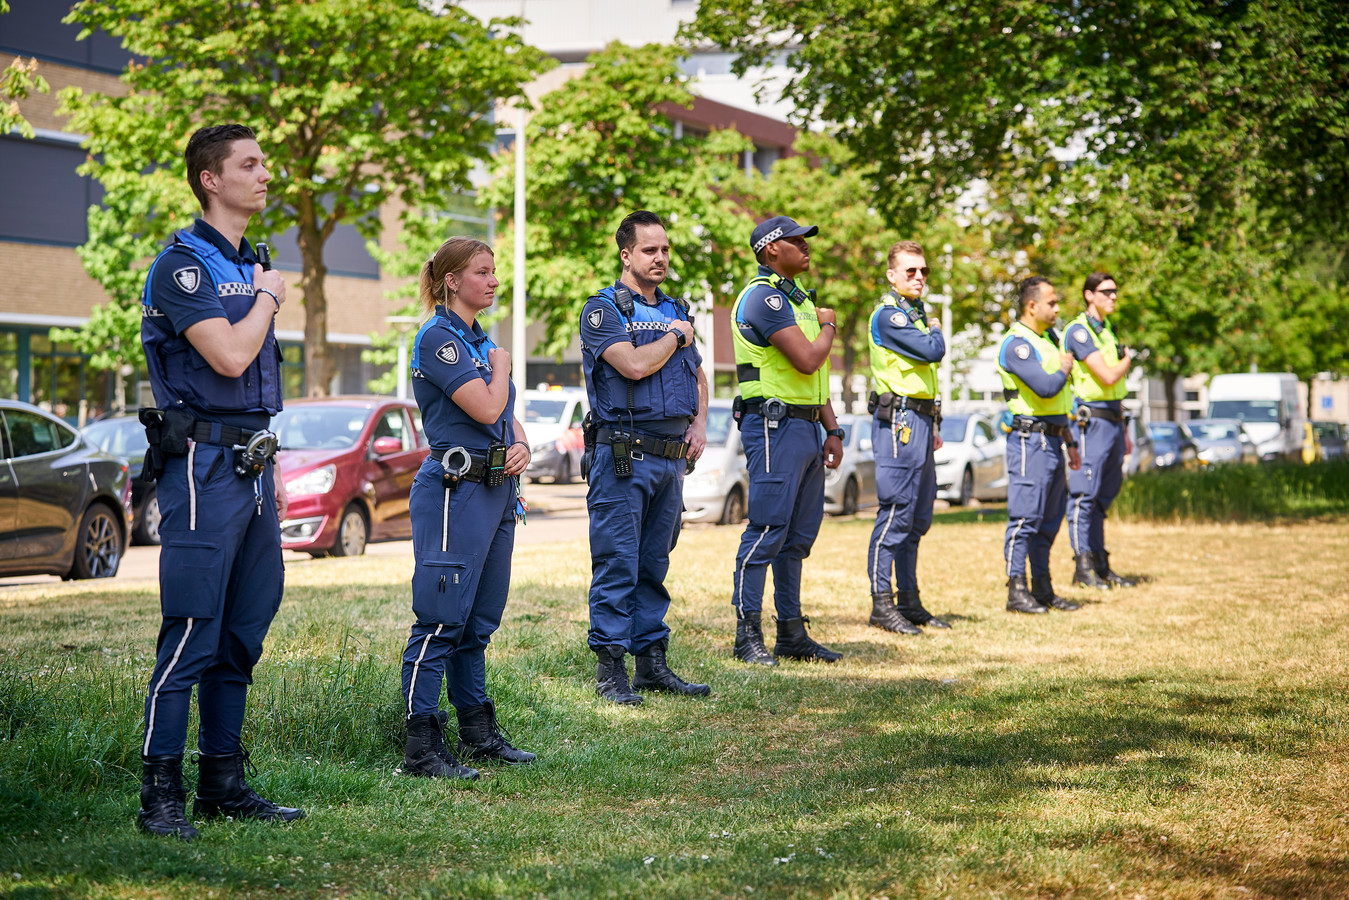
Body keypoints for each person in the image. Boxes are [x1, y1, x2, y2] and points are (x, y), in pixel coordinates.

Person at [137, 124, 302, 840]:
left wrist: (260, 286)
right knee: (192, 631)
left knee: (241, 633)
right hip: (203, 469)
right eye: (250, 164)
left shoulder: (250, 262)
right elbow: (232, 358)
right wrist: (267, 298)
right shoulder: (182, 267)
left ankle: (222, 785)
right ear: (211, 178)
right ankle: (159, 796)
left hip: (255, 465)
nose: (265, 174)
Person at [400, 237, 536, 776]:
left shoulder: (477, 339)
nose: (493, 280)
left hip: (497, 488)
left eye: (495, 271)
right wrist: (501, 366)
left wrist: (520, 441)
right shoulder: (441, 338)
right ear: (452, 280)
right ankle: (421, 746)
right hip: (456, 492)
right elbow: (485, 402)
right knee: (440, 619)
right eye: (482, 271)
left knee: (478, 622)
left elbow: (502, 418)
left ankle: (478, 733)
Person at [579, 210, 710, 705]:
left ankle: (651, 664)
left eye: (666, 249)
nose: (660, 258)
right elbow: (632, 366)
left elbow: (696, 375)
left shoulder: (676, 306)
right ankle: (611, 671)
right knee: (618, 563)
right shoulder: (603, 311)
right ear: (626, 254)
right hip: (623, 457)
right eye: (650, 250)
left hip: (670, 458)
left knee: (655, 563)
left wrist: (698, 424)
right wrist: (676, 335)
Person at [730, 215, 845, 665]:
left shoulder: (795, 302)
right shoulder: (764, 299)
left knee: (796, 537)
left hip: (806, 427)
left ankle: (792, 633)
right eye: (797, 240)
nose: (806, 246)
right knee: (766, 530)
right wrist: (830, 325)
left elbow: (815, 381)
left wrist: (831, 428)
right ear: (772, 249)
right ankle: (747, 634)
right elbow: (807, 360)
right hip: (773, 427)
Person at [866, 241, 950, 634]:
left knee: (918, 517)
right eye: (911, 271)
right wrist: (935, 328)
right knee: (896, 513)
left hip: (920, 419)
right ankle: (882, 604)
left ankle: (910, 601)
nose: (919, 277)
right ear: (892, 275)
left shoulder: (913, 315)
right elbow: (933, 351)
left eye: (923, 271)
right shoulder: (889, 316)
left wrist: (934, 423)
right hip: (898, 420)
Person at [996, 276, 1083, 614]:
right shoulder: (1017, 344)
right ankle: (1016, 590)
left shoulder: (1047, 340)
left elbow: (1060, 402)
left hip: (1053, 438)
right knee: (1024, 517)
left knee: (1048, 519)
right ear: (1031, 306)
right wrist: (1064, 368)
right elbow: (1046, 388)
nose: (1058, 308)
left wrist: (1070, 440)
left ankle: (1042, 588)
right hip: (1028, 440)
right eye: (1052, 302)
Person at [1062, 272, 1138, 589]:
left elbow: (1115, 389)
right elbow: (1107, 376)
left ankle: (1101, 564)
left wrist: (1125, 430)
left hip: (1112, 419)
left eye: (1115, 291)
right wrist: (1128, 361)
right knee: (1084, 496)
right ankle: (1083, 568)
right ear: (1089, 295)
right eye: (1106, 291)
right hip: (1089, 421)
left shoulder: (1106, 329)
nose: (1113, 297)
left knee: (1102, 497)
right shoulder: (1079, 332)